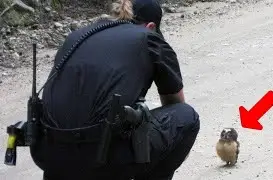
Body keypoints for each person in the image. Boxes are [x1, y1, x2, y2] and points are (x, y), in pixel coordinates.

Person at [31, 0, 200, 179]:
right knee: (187, 117)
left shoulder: (76, 37)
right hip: (103, 157)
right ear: (151, 26)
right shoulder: (148, 37)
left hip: (50, 155)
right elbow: (174, 103)